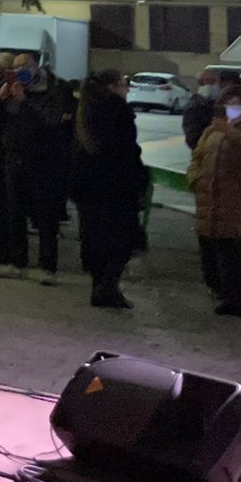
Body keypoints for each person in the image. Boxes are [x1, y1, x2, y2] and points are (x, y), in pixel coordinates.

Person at [0, 52, 76, 277]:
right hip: (14, 159)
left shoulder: (53, 90)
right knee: (15, 213)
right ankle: (18, 262)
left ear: (36, 67)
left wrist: (25, 102)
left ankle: (47, 267)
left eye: (25, 67)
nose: (21, 72)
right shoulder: (11, 89)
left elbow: (50, 120)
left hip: (43, 161)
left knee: (45, 216)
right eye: (16, 68)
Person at [188, 79, 241, 319]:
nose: (230, 107)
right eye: (226, 102)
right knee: (224, 253)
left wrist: (233, 135)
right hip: (216, 201)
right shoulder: (213, 129)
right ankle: (231, 298)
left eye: (235, 102)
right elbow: (198, 157)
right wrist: (196, 179)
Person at [72, 71, 147, 310]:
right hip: (115, 185)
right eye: (124, 84)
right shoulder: (117, 111)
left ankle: (99, 286)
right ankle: (108, 285)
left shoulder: (85, 110)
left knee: (95, 238)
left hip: (88, 185)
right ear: (112, 87)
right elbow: (126, 150)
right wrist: (139, 179)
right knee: (122, 239)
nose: (127, 89)